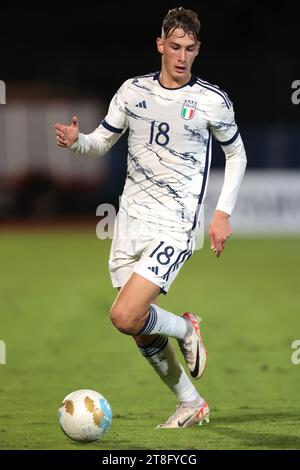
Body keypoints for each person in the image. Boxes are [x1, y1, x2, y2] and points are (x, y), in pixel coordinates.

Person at [54, 6, 247, 429]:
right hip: (129, 224)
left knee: (123, 314)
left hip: (174, 226)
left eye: (190, 49)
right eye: (174, 46)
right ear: (160, 44)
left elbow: (236, 154)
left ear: (198, 51)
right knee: (137, 326)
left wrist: (223, 213)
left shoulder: (212, 101)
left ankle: (186, 327)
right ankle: (190, 402)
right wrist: (76, 142)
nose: (181, 56)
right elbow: (100, 143)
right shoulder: (131, 92)